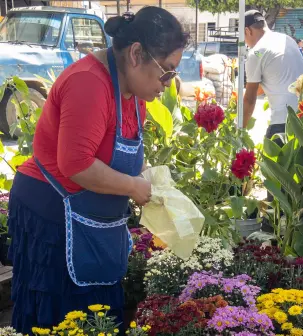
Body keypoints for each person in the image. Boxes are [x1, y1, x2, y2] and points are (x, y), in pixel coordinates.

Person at [7, 6, 188, 333]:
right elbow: (76, 164)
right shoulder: (88, 83)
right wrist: (133, 187)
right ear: (136, 54)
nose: (168, 84)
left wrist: (148, 178)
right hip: (52, 214)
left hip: (91, 220)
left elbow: (120, 151)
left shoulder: (134, 93)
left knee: (99, 319)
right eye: (167, 72)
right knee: (58, 320)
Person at [243, 10, 303, 143]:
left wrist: (238, 131)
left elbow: (249, 100)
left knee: (268, 162)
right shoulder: (287, 40)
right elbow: (274, 80)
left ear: (247, 31)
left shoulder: (256, 53)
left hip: (283, 124)